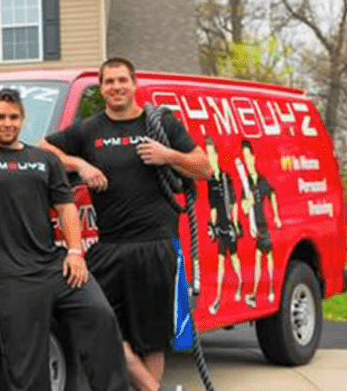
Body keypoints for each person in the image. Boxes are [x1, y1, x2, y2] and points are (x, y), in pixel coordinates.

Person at [0, 89, 129, 391]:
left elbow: (66, 207)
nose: (7, 123)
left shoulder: (44, 159)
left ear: (23, 119)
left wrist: (74, 252)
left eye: (14, 117)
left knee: (101, 317)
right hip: (9, 275)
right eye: (0, 117)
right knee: (27, 360)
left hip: (54, 265)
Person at [39, 58, 210, 391]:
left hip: (157, 244)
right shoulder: (88, 129)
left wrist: (168, 155)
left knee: (154, 338)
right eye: (109, 82)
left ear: (134, 84)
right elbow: (43, 150)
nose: (116, 87)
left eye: (122, 80)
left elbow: (203, 167)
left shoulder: (162, 123)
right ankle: (152, 388)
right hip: (109, 245)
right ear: (101, 88)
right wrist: (80, 164)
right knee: (101, 323)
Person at [239, 139, 282, 308]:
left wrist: (277, 216)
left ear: (254, 158)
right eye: (244, 157)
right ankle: (260, 292)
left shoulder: (262, 181)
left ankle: (269, 289)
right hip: (256, 226)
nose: (247, 161)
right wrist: (247, 203)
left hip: (264, 225)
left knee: (267, 257)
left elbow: (272, 196)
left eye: (248, 156)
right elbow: (243, 208)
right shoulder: (246, 184)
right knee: (260, 259)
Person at [204, 136, 243, 315]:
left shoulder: (227, 179)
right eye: (207, 154)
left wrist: (235, 225)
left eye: (212, 154)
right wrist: (211, 226)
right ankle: (218, 298)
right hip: (220, 225)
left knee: (234, 259)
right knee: (221, 262)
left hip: (229, 224)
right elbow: (213, 206)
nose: (210, 158)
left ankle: (240, 283)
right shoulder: (211, 181)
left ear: (217, 155)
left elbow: (233, 203)